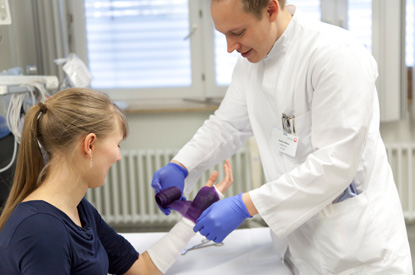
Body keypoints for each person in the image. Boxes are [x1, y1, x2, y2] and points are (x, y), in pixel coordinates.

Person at [151, 0, 413, 273]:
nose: (230, 47)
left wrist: (246, 205)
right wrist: (182, 165)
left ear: (271, 9)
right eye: (224, 35)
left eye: (237, 33)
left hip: (357, 251)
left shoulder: (336, 55)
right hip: (298, 245)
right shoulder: (251, 62)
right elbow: (226, 125)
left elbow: (335, 163)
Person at [0, 88, 234, 275]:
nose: (119, 156)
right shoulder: (41, 230)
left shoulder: (79, 210)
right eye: (117, 144)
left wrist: (193, 214)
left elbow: (140, 269)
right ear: (89, 144)